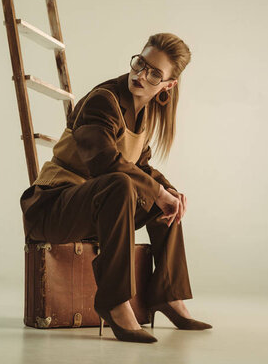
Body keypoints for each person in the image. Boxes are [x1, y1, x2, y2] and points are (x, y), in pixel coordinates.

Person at [19, 33, 212, 343]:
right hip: (51, 208)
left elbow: (142, 167)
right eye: (140, 63)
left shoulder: (146, 112)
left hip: (95, 212)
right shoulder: (103, 100)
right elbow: (105, 164)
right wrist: (157, 192)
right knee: (123, 183)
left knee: (165, 201)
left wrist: (169, 192)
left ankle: (168, 293)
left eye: (154, 73)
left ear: (168, 85)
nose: (140, 75)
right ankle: (113, 301)